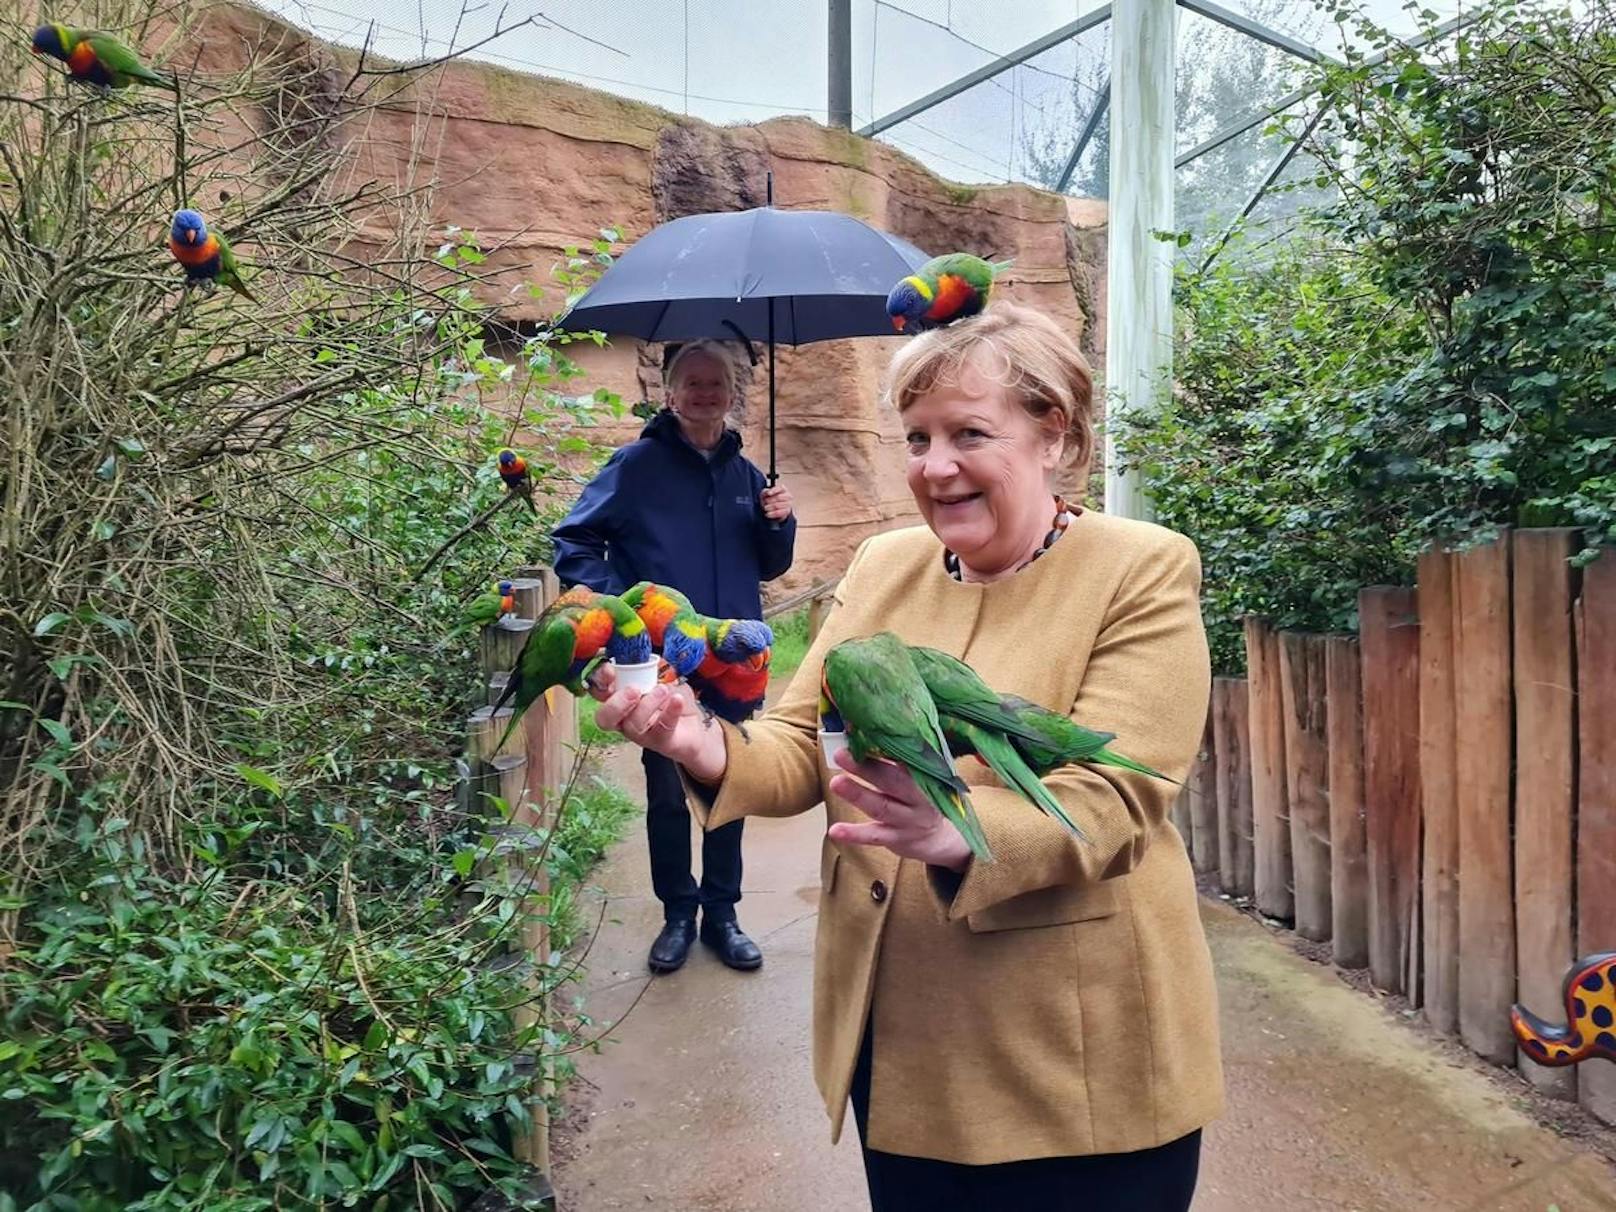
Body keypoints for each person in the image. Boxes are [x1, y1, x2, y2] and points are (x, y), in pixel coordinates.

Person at [589, 303, 1222, 1209]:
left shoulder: (1140, 568)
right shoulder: (887, 564)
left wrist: (959, 827)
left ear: (1057, 435)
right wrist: (698, 739)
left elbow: (1121, 797)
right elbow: (803, 744)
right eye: (917, 437)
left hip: (1078, 1057)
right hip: (907, 1047)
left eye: (970, 433)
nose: (935, 466)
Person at [552, 339, 796, 976]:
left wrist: (778, 522)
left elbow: (772, 565)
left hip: (736, 660)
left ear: (732, 393)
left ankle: (723, 914)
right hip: (664, 661)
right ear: (669, 392)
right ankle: (677, 914)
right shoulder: (635, 466)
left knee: (732, 783)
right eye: (692, 382)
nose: (705, 393)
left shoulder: (749, 475)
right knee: (667, 791)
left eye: (716, 383)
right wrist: (622, 610)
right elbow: (573, 541)